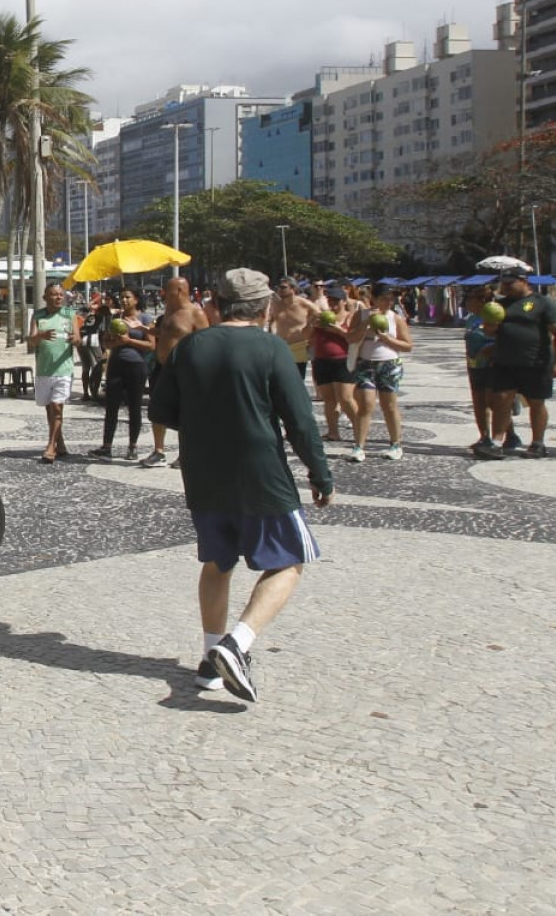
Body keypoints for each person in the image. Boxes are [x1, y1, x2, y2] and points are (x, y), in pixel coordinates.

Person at [148, 268, 333, 703]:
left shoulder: (190, 347)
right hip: (261, 472)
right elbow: (300, 421)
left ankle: (211, 659)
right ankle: (237, 644)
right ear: (264, 305)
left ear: (217, 301)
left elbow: (162, 408)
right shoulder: (271, 348)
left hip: (203, 470)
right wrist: (320, 473)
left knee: (218, 561)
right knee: (289, 562)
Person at [479, 259, 556, 459]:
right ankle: (497, 442)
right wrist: (490, 329)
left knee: (536, 402)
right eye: (504, 284)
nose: (506, 288)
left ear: (524, 281)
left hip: (536, 362)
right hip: (505, 361)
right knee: (501, 400)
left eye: (510, 284)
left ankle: (537, 443)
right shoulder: (500, 304)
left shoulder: (542, 302)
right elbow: (492, 332)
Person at [141, 276, 209, 468]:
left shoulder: (195, 313)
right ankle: (158, 450)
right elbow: (166, 333)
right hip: (161, 367)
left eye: (167, 290)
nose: (163, 294)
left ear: (179, 291)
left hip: (184, 368)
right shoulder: (168, 311)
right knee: (156, 409)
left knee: (185, 411)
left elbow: (205, 341)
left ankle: (185, 452)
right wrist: (145, 330)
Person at [346, 282, 413, 461]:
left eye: (390, 299)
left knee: (389, 405)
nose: (388, 303)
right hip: (366, 364)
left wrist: (386, 338)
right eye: (384, 299)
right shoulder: (360, 315)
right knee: (366, 404)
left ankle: (396, 444)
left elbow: (407, 346)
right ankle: (358, 446)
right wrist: (366, 324)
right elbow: (350, 337)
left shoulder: (395, 318)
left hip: (389, 363)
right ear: (373, 299)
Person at [90, 288, 153, 460]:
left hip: (136, 365)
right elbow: (107, 344)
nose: (124, 300)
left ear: (136, 300)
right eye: (122, 297)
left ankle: (132, 447)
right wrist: (111, 339)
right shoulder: (116, 319)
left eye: (128, 297)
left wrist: (129, 340)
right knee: (111, 406)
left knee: (134, 407)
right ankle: (107, 446)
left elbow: (151, 345)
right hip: (117, 364)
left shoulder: (145, 319)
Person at [26, 284, 81, 463]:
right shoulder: (38, 315)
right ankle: (61, 442)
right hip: (44, 369)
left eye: (60, 295)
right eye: (54, 295)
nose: (58, 298)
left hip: (64, 369)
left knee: (57, 407)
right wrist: (41, 336)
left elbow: (78, 339)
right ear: (45, 297)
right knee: (50, 409)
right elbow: (31, 341)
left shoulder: (70, 314)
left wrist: (74, 339)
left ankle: (51, 446)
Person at [308, 283, 360, 447]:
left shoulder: (351, 317)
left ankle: (359, 429)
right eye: (330, 300)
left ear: (344, 301)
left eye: (337, 301)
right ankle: (333, 432)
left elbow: (354, 338)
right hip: (322, 360)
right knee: (328, 399)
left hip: (343, 360)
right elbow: (306, 336)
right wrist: (311, 324)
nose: (333, 304)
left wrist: (337, 330)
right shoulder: (322, 316)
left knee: (345, 398)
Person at [462, 284, 500, 457]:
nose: (466, 303)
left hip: (490, 365)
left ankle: (506, 435)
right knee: (478, 402)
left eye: (469, 299)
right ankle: (484, 435)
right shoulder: (471, 319)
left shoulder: (493, 315)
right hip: (474, 365)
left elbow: (501, 337)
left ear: (481, 300)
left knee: (492, 402)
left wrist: (491, 349)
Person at [266, 280, 314, 380]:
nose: (280, 290)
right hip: (281, 346)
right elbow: (272, 321)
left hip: (299, 346)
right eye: (279, 287)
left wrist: (310, 332)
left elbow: (320, 315)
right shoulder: (276, 305)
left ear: (293, 289)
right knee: (280, 379)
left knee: (298, 380)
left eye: (283, 287)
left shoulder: (303, 303)